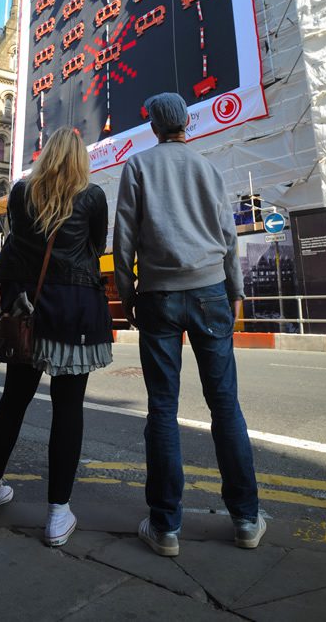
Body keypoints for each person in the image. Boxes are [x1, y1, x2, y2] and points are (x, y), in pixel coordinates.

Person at [113, 92, 264, 557]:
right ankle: (244, 519)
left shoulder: (137, 167)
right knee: (225, 405)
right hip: (210, 292)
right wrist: (235, 292)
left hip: (158, 295)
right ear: (186, 125)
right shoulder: (207, 168)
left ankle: (165, 527)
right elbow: (227, 235)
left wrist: (128, 292)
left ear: (155, 127)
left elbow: (124, 238)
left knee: (163, 407)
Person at [0, 126, 113, 547]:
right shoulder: (92, 196)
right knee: (68, 410)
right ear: (80, 159)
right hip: (75, 314)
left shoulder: (21, 193)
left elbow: (19, 245)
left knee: (13, 402)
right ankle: (58, 514)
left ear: (46, 155)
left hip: (28, 311)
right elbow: (96, 246)